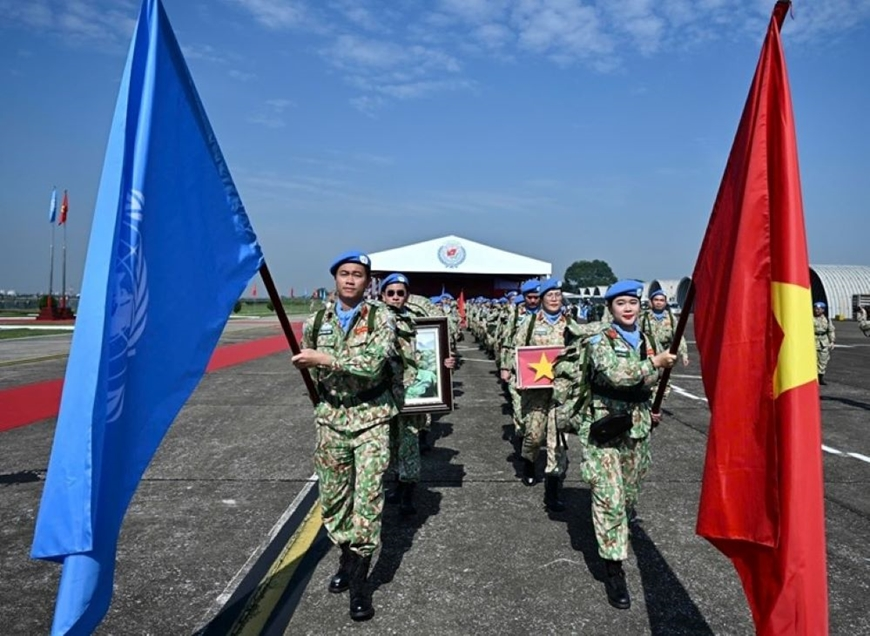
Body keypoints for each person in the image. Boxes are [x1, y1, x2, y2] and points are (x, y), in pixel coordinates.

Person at [292, 250, 399, 622]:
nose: (351, 280)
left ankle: (359, 585)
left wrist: (324, 360)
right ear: (335, 278)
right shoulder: (316, 320)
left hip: (371, 419)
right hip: (332, 420)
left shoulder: (381, 317)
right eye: (345, 273)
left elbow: (373, 363)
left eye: (358, 275)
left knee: (367, 499)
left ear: (368, 282)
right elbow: (310, 369)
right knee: (335, 500)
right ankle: (346, 556)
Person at [576, 280, 676, 610]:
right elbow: (617, 375)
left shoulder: (648, 340)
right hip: (605, 428)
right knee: (610, 498)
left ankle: (617, 539)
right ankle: (614, 569)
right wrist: (654, 365)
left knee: (629, 496)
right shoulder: (600, 340)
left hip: (637, 427)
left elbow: (659, 380)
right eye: (620, 304)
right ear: (610, 309)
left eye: (633, 302)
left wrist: (657, 402)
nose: (628, 308)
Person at [379, 273, 455, 515]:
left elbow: (430, 354)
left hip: (412, 396)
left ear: (407, 296)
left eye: (400, 293)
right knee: (388, 447)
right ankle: (397, 486)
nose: (395, 297)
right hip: (383, 397)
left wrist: (445, 362)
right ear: (382, 295)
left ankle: (408, 495)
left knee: (409, 446)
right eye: (390, 293)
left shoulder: (418, 323)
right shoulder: (372, 321)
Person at [504, 278, 570, 511]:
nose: (554, 298)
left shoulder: (570, 324)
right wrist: (518, 376)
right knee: (533, 435)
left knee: (557, 441)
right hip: (535, 392)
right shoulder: (530, 323)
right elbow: (516, 351)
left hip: (561, 393)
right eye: (549, 295)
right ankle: (529, 463)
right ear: (541, 299)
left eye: (558, 294)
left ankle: (553, 490)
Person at [640, 290, 688, 366]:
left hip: (665, 355)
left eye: (662, 300)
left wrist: (684, 354)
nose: (659, 302)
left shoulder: (671, 318)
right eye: (656, 300)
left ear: (665, 303)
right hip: (648, 355)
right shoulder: (643, 317)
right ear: (651, 301)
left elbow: (679, 337)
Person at [813, 301, 835, 385]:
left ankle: (820, 377)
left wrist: (832, 341)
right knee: (813, 360)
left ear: (823, 310)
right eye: (815, 308)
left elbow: (831, 330)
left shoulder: (827, 319)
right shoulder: (810, 317)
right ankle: (813, 378)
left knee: (823, 360)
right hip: (813, 340)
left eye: (819, 309)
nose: (817, 310)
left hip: (823, 341)